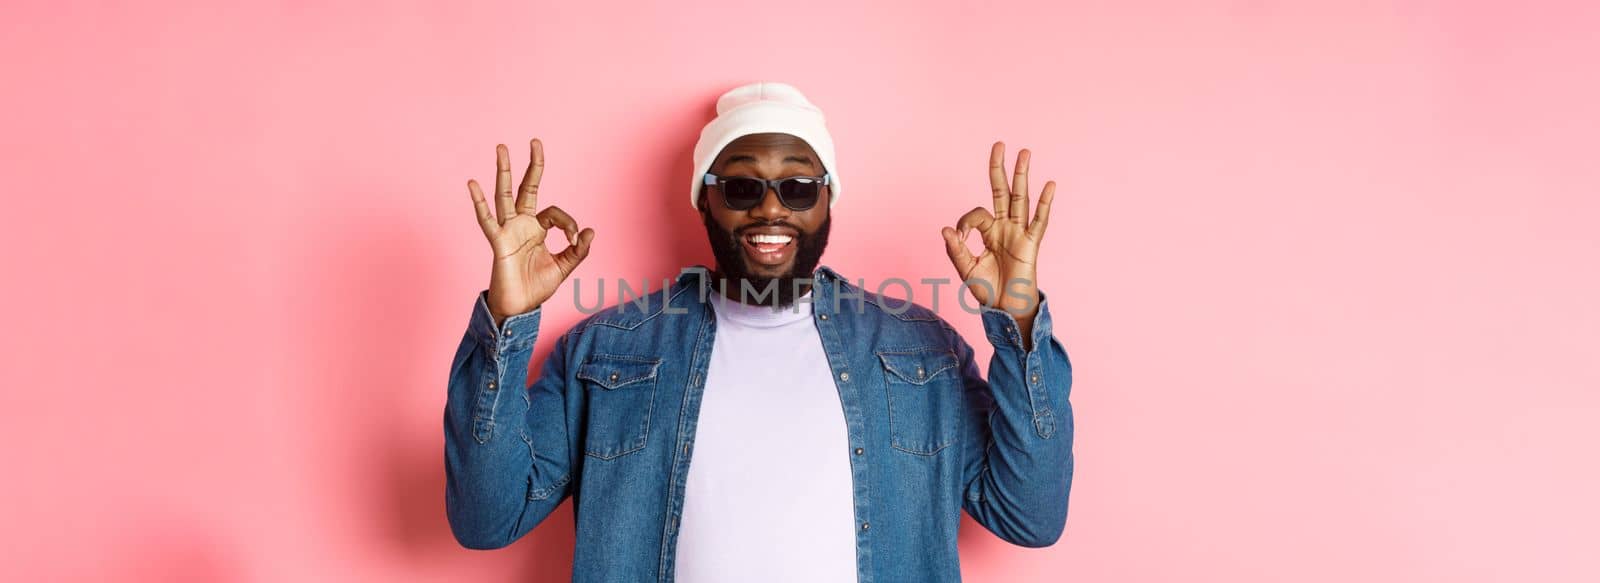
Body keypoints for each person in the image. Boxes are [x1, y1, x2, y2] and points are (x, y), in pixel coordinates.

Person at [444, 82, 1074, 582]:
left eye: (799, 187)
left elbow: (1028, 515)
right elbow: (485, 518)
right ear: (704, 200)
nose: (771, 209)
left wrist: (1017, 318)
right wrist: (508, 321)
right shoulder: (607, 349)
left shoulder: (921, 350)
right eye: (742, 186)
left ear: (828, 200)